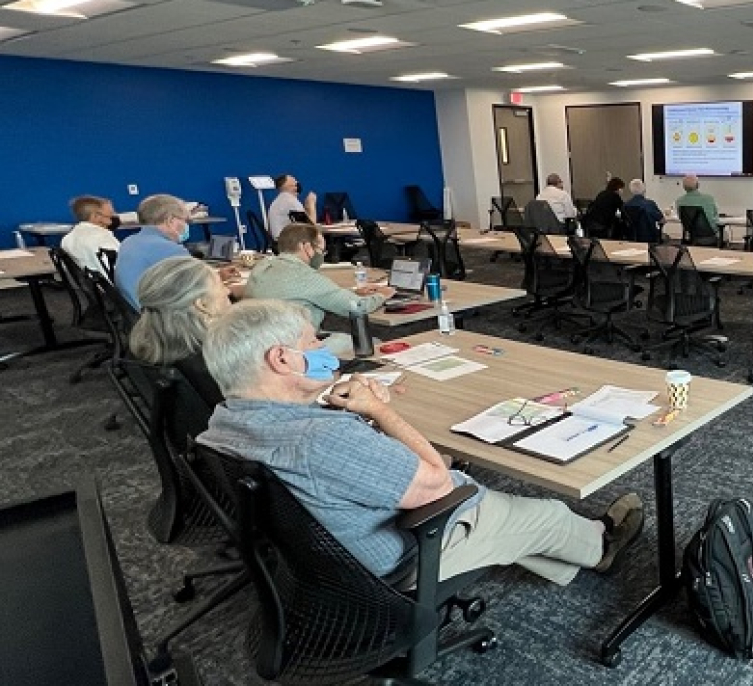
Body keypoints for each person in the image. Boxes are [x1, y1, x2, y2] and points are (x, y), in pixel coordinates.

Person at [196, 299, 646, 586]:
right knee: (543, 511)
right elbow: (438, 487)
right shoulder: (319, 439)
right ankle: (601, 546)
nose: (322, 347)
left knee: (495, 502)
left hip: (318, 557)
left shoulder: (224, 421)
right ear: (281, 359)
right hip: (400, 558)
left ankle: (542, 548)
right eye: (312, 341)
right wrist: (378, 410)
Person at [244, 222, 393, 331]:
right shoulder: (304, 275)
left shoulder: (262, 266)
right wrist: (381, 295)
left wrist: (352, 293)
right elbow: (357, 307)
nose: (321, 255)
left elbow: (297, 293)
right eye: (320, 249)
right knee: (373, 342)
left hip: (261, 341)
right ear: (307, 247)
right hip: (296, 345)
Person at [128, 257, 231, 404]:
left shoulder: (143, 343)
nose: (228, 291)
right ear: (202, 305)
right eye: (221, 285)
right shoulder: (213, 366)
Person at [116, 194, 234, 310]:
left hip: (139, 314)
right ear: (170, 221)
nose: (186, 225)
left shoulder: (129, 242)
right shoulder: (169, 249)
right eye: (184, 220)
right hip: (166, 318)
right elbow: (199, 289)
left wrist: (217, 276)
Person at [61, 195, 121, 274]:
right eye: (111, 214)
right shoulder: (104, 239)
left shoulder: (66, 239)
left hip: (86, 285)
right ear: (96, 216)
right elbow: (121, 270)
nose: (114, 216)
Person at [267, 173, 318, 239]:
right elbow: (310, 229)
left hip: (278, 241)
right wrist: (311, 204)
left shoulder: (276, 202)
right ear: (293, 187)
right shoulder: (291, 201)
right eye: (295, 183)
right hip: (288, 244)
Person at [623, 179, 665, 243]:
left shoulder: (625, 205)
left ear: (631, 190)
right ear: (644, 190)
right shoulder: (650, 204)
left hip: (630, 238)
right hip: (649, 237)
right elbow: (662, 220)